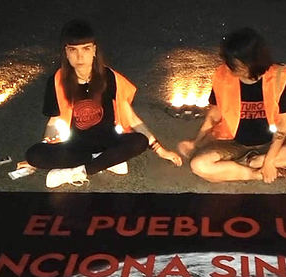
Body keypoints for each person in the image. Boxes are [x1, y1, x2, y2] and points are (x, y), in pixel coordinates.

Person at [25, 19, 181, 188]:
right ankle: (104, 161)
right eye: (73, 50)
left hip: (109, 141)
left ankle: (81, 171)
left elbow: (132, 118)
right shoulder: (57, 81)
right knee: (34, 155)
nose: (79, 56)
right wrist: (45, 146)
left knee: (139, 141)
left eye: (86, 48)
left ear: (94, 50)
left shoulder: (109, 77)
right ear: (66, 53)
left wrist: (160, 150)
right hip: (76, 147)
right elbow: (54, 121)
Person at [178, 27, 286, 183]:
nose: (229, 66)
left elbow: (283, 124)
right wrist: (196, 141)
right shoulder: (222, 75)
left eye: (235, 63)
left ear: (252, 62)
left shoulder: (279, 76)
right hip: (234, 143)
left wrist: (269, 160)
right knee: (199, 165)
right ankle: (254, 173)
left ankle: (256, 162)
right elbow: (214, 115)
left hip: (274, 142)